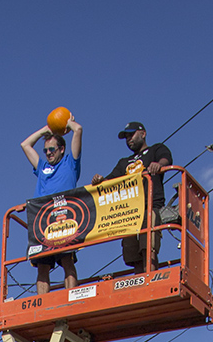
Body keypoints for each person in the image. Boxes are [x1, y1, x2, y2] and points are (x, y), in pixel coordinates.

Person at [92, 122, 172, 273]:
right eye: (126, 136)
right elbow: (110, 181)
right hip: (129, 212)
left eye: (131, 134)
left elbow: (166, 158)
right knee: (131, 252)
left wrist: (158, 164)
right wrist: (99, 180)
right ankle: (139, 279)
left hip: (150, 205)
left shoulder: (155, 149)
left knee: (148, 246)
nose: (129, 139)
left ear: (143, 133)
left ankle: (151, 278)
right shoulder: (123, 162)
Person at [21, 115, 83, 294]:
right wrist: (44, 131)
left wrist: (67, 123)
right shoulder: (42, 167)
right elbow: (25, 145)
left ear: (62, 149)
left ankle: (71, 298)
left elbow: (78, 130)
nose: (48, 153)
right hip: (43, 220)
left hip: (65, 216)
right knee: (42, 265)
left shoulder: (70, 163)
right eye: (46, 150)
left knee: (66, 261)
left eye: (52, 149)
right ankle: (43, 304)